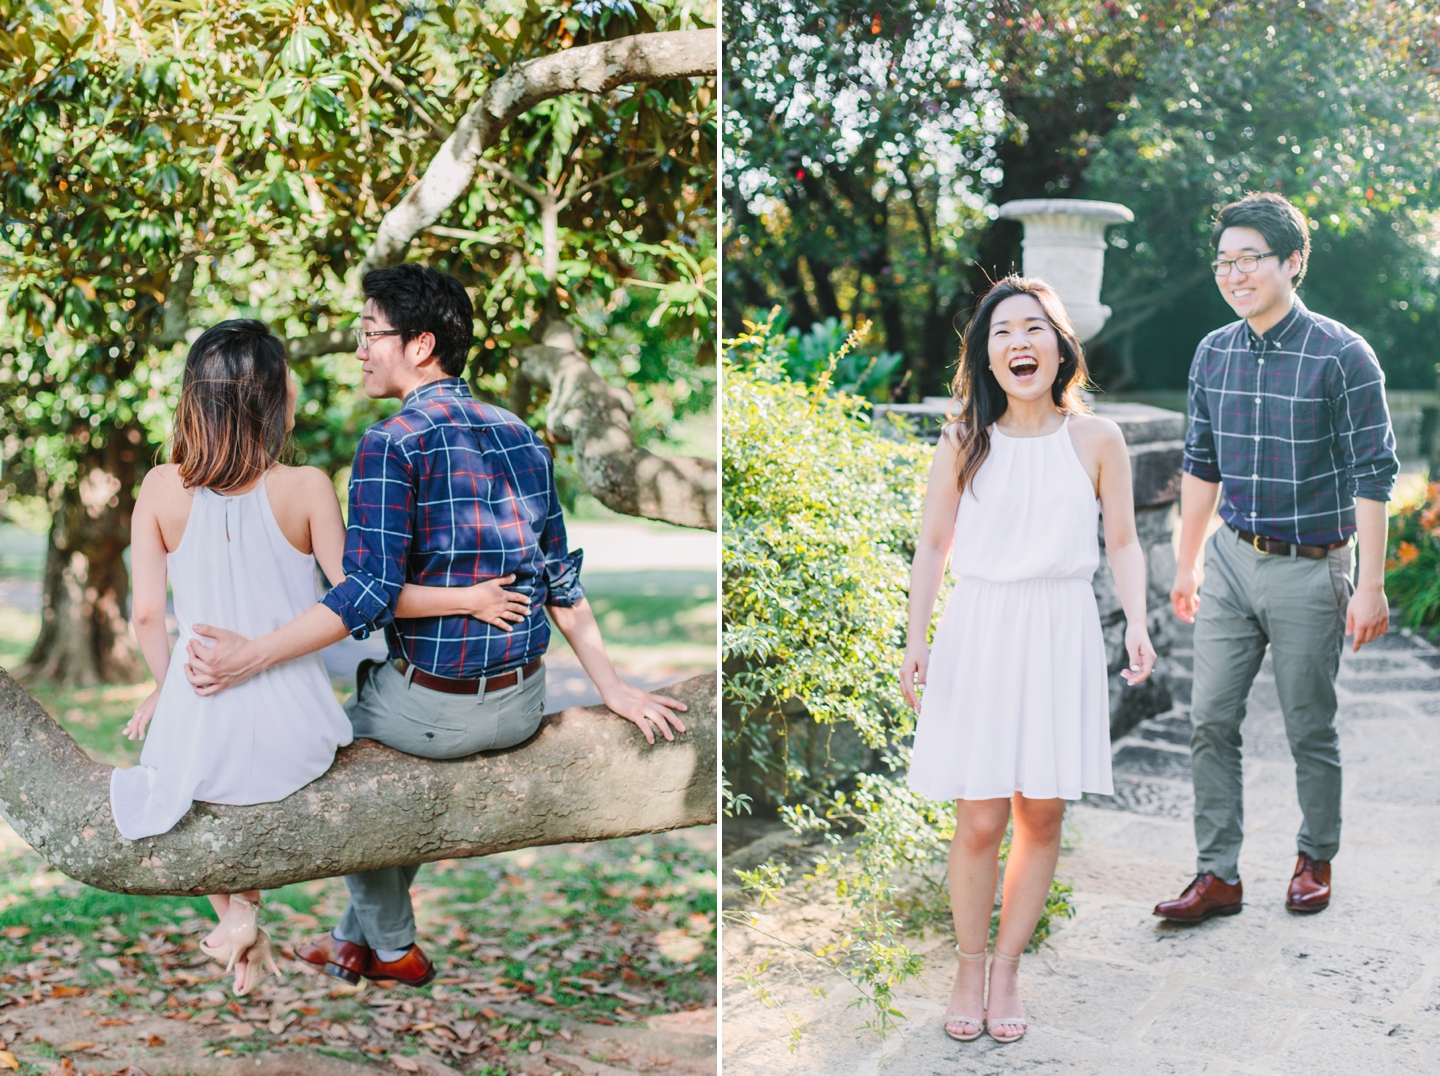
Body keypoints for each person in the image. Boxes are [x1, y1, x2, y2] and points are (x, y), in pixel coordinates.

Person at [183, 264, 687, 990]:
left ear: (420, 345)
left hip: (433, 711)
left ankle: (390, 947)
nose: (359, 350)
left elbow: (366, 595)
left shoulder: (391, 444)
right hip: (519, 706)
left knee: (335, 754)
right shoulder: (520, 435)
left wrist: (253, 655)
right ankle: (347, 944)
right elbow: (561, 579)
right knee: (388, 740)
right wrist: (617, 689)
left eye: (369, 334)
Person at [119, 319, 527, 994]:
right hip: (300, 739)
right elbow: (359, 598)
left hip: (205, 726)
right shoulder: (306, 485)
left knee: (169, 778)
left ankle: (239, 913)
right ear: (273, 399)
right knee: (215, 771)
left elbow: (145, 615)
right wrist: (466, 599)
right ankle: (243, 925)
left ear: (197, 398)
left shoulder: (161, 487)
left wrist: (171, 688)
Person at [900, 276, 1155, 1045]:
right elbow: (933, 545)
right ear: (985, 352)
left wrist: (1138, 623)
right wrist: (916, 640)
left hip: (1061, 629)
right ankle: (968, 964)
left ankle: (1009, 965)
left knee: (1041, 810)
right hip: (980, 628)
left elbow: (1123, 542)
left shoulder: (1099, 440)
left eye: (1035, 328)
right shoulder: (963, 438)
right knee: (979, 815)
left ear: (1060, 345)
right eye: (1003, 330)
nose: (1020, 341)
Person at [1155, 193, 1398, 923]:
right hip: (1231, 559)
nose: (1234, 274)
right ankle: (1217, 874)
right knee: (1209, 720)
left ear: (1292, 262)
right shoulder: (1213, 353)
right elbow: (1200, 467)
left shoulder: (1343, 355)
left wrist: (1371, 586)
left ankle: (1314, 855)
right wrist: (1189, 563)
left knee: (1307, 724)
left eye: (1249, 259)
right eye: (1224, 262)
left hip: (1310, 565)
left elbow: (1373, 475)